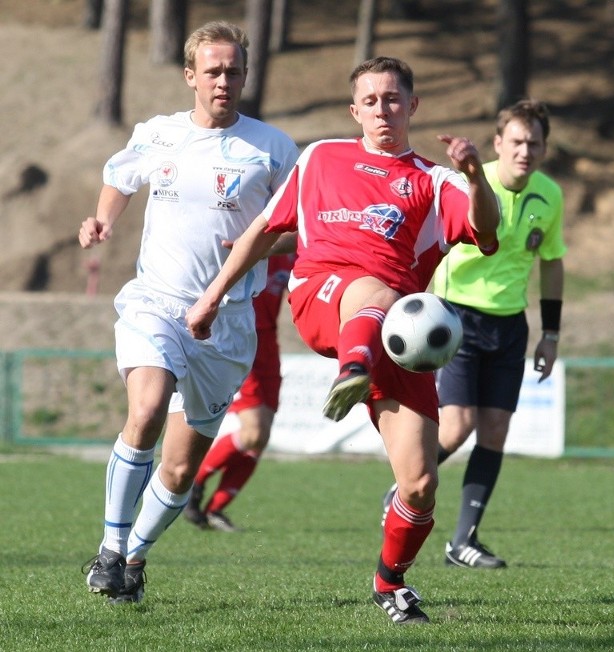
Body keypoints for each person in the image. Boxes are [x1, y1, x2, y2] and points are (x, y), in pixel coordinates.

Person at [184, 56, 500, 625]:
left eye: (393, 99)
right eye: (371, 100)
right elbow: (265, 231)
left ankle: (390, 582)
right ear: (355, 109)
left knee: (421, 484)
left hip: (400, 336)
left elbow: (487, 230)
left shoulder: (433, 179)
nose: (383, 109)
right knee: (370, 289)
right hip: (324, 295)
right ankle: (351, 367)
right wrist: (211, 295)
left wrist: (476, 176)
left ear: (413, 106)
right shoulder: (321, 157)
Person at [78, 20, 299, 604]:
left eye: (233, 71)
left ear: (246, 76)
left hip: (228, 322)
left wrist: (258, 245)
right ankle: (108, 546)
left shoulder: (274, 148)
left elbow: (297, 229)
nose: (224, 80)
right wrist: (105, 219)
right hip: (157, 302)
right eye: (213, 71)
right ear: (190, 76)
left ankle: (134, 557)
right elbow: (119, 178)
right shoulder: (159, 134)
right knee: (147, 408)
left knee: (178, 470)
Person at [382, 99, 566, 570]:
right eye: (518, 141)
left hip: (510, 326)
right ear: (499, 143)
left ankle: (463, 541)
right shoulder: (468, 183)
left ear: (544, 150)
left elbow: (551, 262)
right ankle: (405, 485)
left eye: (535, 143)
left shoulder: (550, 195)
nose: (526, 151)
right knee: (458, 424)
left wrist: (551, 333)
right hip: (455, 321)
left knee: (496, 432)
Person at [182, 251, 295, 532]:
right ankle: (192, 483)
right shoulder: (248, 244)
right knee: (253, 432)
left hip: (269, 343)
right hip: (242, 336)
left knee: (260, 437)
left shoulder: (290, 247)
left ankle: (215, 509)